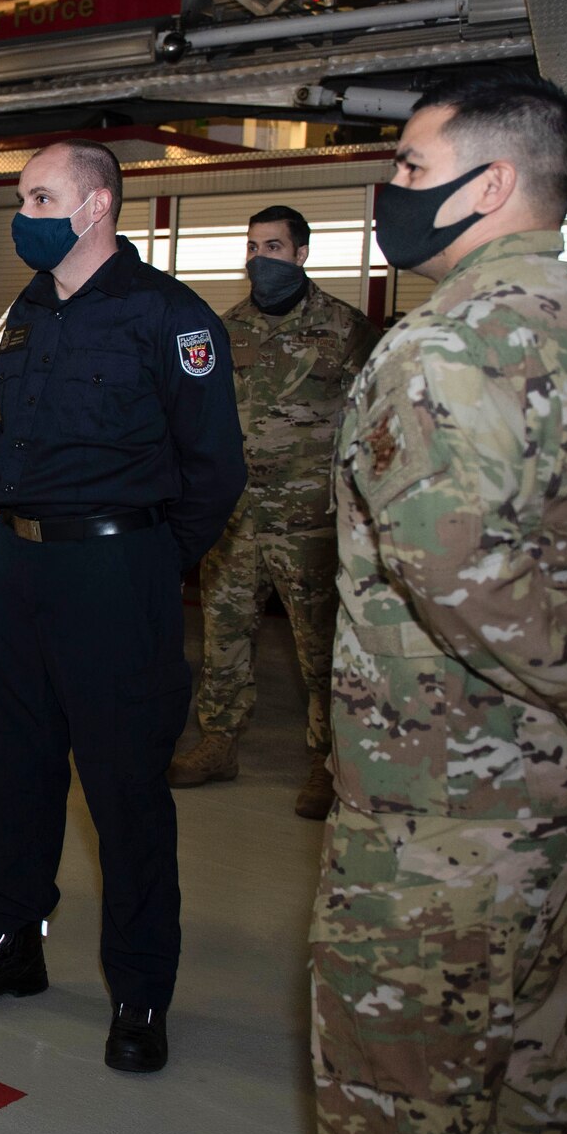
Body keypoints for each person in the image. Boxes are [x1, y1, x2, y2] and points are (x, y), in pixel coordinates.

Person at [310, 75, 567, 1134]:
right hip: (563, 796)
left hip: (441, 808)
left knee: (402, 1113)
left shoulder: (440, 346)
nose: (391, 194)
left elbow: (457, 570)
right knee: (529, 1053)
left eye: (409, 170)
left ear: (491, 184)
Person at [0, 140, 245, 1076]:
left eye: (40, 195)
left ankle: (141, 986)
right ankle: (11, 940)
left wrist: (146, 559)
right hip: (20, 569)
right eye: (25, 196)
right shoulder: (24, 314)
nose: (24, 212)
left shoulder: (167, 317)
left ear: (97, 204)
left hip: (117, 572)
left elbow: (216, 469)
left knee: (124, 790)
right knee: (10, 771)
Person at [167, 205, 379, 818]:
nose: (262, 259)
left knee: (321, 648)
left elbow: (377, 424)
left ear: (302, 255)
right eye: (254, 247)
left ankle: (326, 761)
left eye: (275, 248)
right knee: (224, 637)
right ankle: (219, 742)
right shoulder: (225, 329)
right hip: (235, 520)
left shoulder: (345, 330)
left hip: (310, 521)